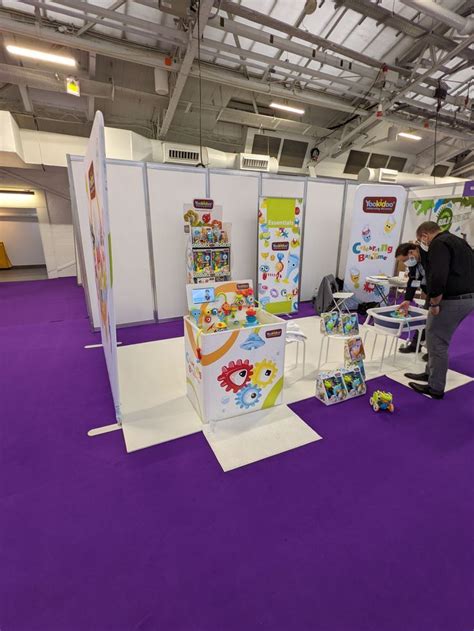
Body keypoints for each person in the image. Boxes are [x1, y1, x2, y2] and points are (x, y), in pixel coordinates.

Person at [405, 221, 474, 399]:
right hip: (467, 298)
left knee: (436, 341)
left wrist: (434, 303)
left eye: (422, 240)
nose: (423, 244)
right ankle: (430, 373)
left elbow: (438, 274)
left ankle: (435, 387)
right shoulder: (459, 242)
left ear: (425, 236)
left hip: (452, 300)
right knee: (434, 335)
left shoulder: (439, 244)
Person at [394, 242, 428, 354]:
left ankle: (432, 353)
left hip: (442, 295)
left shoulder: (430, 257)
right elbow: (412, 281)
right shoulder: (413, 264)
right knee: (424, 320)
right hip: (431, 294)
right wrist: (407, 299)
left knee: (436, 324)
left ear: (411, 252)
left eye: (404, 260)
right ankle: (415, 345)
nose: (405, 263)